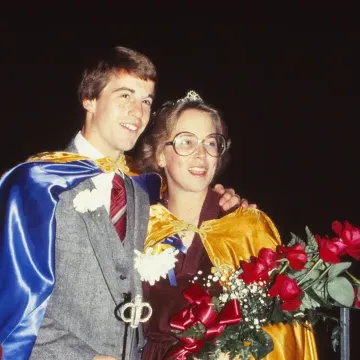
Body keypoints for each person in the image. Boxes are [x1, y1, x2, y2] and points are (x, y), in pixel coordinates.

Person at [0, 47, 243, 360]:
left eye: (146, 100)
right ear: (89, 99)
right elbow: (12, 302)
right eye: (125, 96)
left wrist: (231, 206)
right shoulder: (38, 185)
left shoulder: (139, 193)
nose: (138, 112)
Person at [135, 91, 318, 359]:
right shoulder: (140, 224)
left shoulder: (246, 227)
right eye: (186, 142)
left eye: (211, 143)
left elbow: (284, 331)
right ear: (161, 155)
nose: (201, 154)